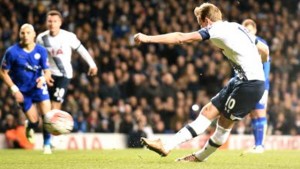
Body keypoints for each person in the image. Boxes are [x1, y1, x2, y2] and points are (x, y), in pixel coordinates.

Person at [134, 2, 269, 162]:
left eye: (200, 22)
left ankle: (199, 157)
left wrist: (147, 38)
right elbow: (265, 50)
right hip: (241, 79)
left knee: (223, 125)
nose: (200, 26)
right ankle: (166, 145)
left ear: (206, 20)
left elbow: (181, 38)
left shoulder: (216, 29)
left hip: (250, 84)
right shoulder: (236, 26)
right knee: (207, 112)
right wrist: (258, 65)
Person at [0, 24, 53, 154]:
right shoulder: (12, 52)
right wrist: (14, 89)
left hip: (38, 87)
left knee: (47, 116)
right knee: (35, 121)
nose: (25, 35)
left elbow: (47, 72)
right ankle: (30, 125)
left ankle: (46, 145)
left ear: (34, 34)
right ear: (19, 35)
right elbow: (2, 72)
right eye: (22, 33)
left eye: (28, 33)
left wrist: (43, 78)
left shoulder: (41, 51)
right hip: (23, 92)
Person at [36, 10, 98, 110]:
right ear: (46, 22)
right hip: (48, 74)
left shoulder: (68, 36)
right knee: (44, 105)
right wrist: (41, 74)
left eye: (55, 21)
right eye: (50, 21)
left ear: (60, 22)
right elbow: (38, 58)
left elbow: (81, 49)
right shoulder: (41, 38)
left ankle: (54, 125)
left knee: (56, 104)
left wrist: (92, 64)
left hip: (64, 75)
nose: (52, 24)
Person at [242, 19, 270, 154]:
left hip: (260, 84)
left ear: (255, 30)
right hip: (248, 84)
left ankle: (261, 145)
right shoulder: (242, 44)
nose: (249, 31)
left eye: (251, 29)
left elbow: (266, 64)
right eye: (246, 29)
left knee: (260, 112)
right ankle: (256, 144)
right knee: (253, 115)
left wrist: (264, 83)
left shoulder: (261, 43)